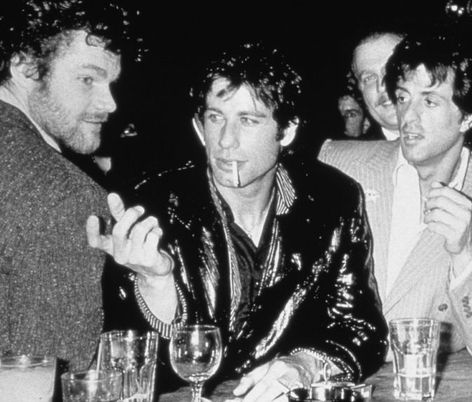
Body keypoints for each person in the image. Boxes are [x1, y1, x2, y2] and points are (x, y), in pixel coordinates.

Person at [87, 42, 388, 399]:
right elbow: (130, 368)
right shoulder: (151, 209)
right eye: (215, 118)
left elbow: (360, 327)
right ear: (200, 127)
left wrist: (304, 365)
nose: (226, 141)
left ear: (287, 131)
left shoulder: (331, 199)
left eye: (248, 120)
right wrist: (156, 283)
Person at [319, 31, 472, 364]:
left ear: (467, 117)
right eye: (403, 97)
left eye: (430, 101)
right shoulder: (339, 164)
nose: (409, 116)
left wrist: (465, 253)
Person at [0, 0, 143, 396]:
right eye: (88, 79)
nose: (110, 104)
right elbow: (51, 389)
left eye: (111, 83)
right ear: (25, 67)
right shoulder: (66, 196)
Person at [349, 28, 405, 141]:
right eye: (369, 78)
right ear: (360, 89)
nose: (382, 86)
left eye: (391, 70)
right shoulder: (351, 152)